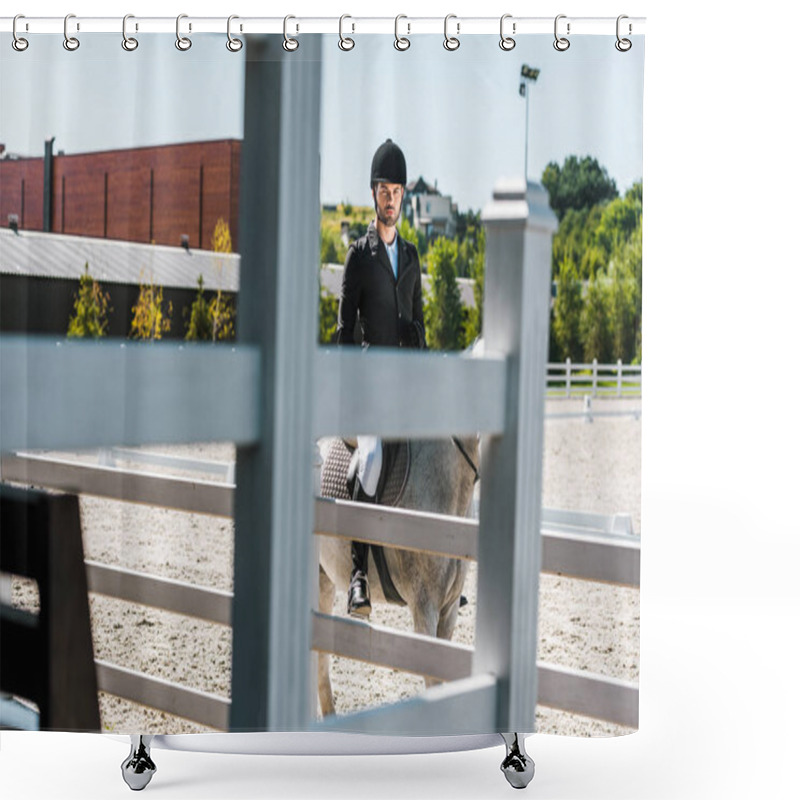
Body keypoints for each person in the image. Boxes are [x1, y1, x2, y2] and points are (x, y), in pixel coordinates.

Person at [336, 139, 426, 617]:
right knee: (370, 457)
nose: (389, 198)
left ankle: (436, 571)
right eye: (382, 190)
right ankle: (356, 576)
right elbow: (342, 331)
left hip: (405, 388)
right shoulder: (359, 255)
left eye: (396, 190)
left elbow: (421, 326)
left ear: (404, 195)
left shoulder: (411, 257)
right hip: (369, 389)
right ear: (373, 194)